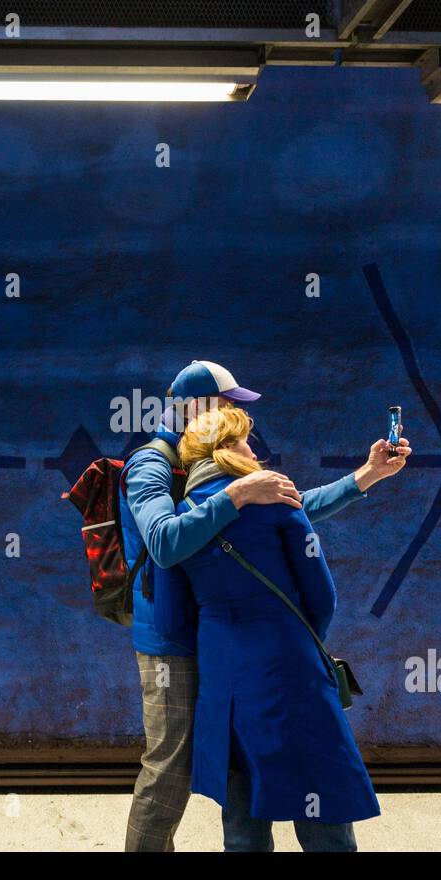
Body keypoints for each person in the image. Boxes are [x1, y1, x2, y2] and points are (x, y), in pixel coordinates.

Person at [120, 360, 410, 851]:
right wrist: (236, 494)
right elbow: (166, 542)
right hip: (170, 641)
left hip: (212, 637)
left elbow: (284, 505)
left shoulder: (217, 462)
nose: (235, 412)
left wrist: (364, 476)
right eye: (228, 403)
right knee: (171, 764)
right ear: (198, 407)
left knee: (236, 768)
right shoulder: (150, 463)